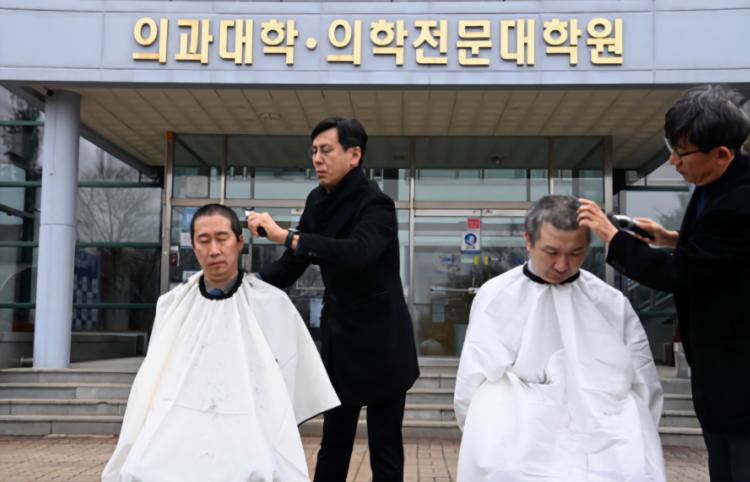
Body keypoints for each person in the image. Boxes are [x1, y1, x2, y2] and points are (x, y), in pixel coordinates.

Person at [578, 84, 750, 481]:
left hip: (741, 376)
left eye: (681, 153)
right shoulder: (716, 183)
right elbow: (720, 255)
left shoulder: (741, 201)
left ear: (722, 154)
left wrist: (612, 236)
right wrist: (673, 239)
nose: (672, 161)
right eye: (670, 147)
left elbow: (680, 274)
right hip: (720, 379)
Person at [101, 204, 339, 482]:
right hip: (179, 427)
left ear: (239, 242)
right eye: (204, 241)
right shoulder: (172, 306)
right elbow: (156, 378)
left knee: (260, 469)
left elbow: (287, 376)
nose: (214, 250)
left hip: (249, 427)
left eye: (222, 238)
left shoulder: (271, 304)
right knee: (139, 469)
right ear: (193, 246)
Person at [247, 117, 419, 482]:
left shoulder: (377, 204)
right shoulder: (317, 200)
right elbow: (292, 265)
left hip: (384, 344)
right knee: (333, 443)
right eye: (313, 151)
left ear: (354, 155)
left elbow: (357, 252)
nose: (317, 159)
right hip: (341, 343)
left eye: (326, 150)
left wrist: (287, 236)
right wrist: (247, 284)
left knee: (385, 448)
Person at [454, 195, 665, 482]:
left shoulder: (609, 302)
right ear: (529, 242)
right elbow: (473, 377)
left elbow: (643, 379)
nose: (563, 265)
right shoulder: (497, 296)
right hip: (517, 431)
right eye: (551, 252)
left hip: (600, 433)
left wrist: (641, 432)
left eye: (576, 253)